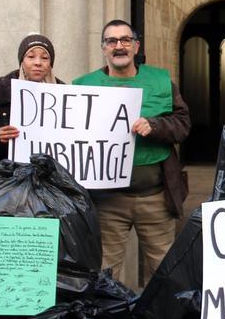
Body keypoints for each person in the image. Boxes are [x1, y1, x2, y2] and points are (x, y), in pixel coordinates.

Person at [74, 19, 190, 289]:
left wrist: (156, 125)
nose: (119, 46)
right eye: (111, 41)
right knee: (105, 273)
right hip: (107, 202)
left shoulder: (161, 81)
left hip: (156, 198)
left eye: (125, 40)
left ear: (136, 46)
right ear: (103, 48)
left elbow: (183, 125)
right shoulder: (83, 86)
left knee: (163, 272)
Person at [0, 33, 61, 162]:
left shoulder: (65, 98)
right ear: (22, 61)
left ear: (50, 64)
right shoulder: (2, 95)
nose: (38, 63)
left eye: (45, 58)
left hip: (52, 178)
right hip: (15, 177)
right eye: (31, 57)